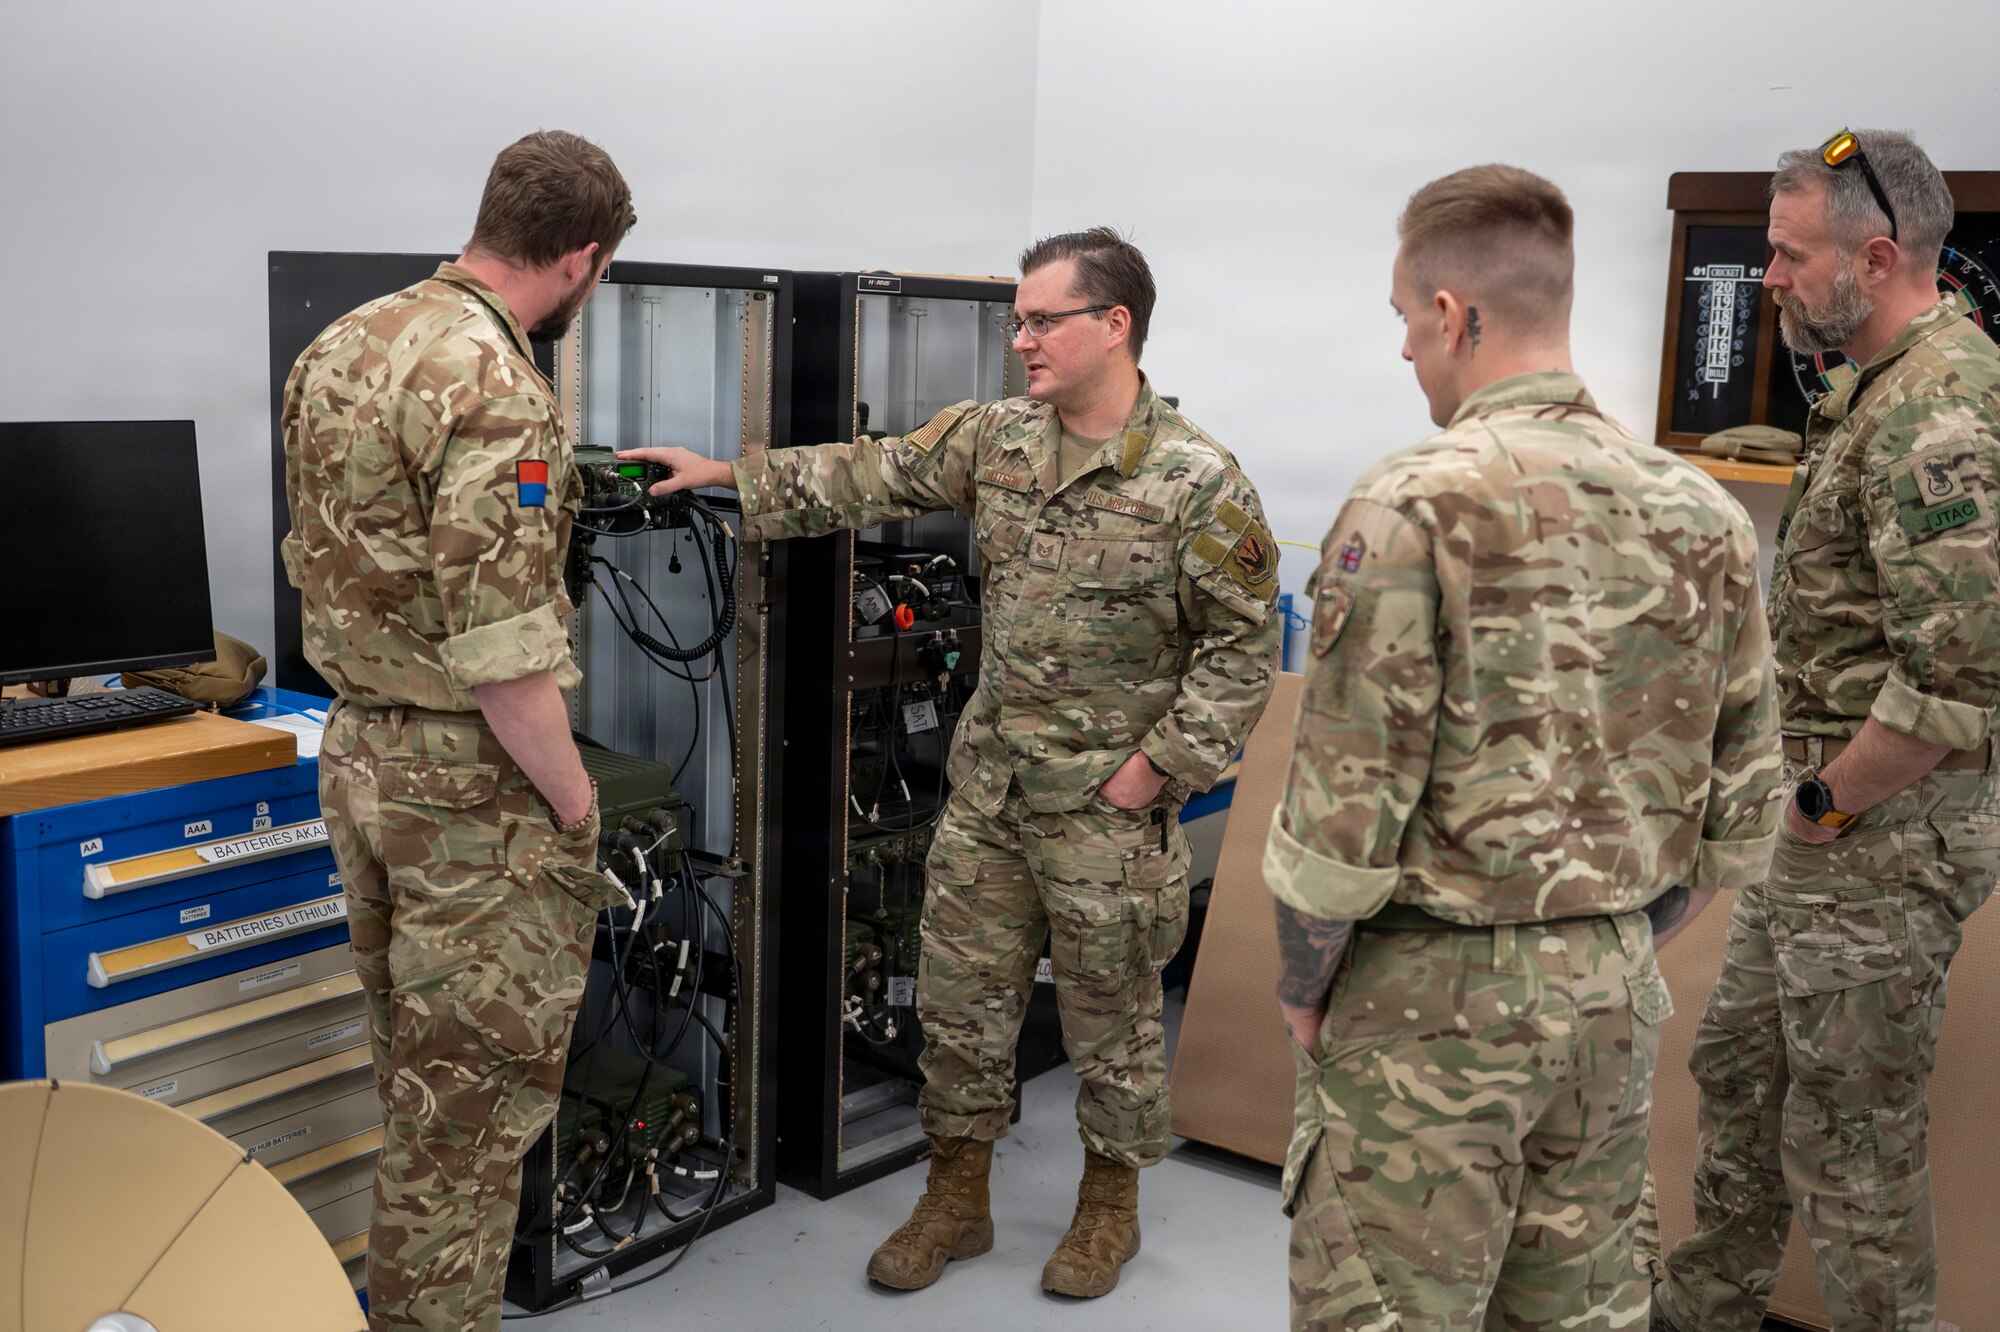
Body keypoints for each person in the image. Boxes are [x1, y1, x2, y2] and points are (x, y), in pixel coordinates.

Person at [624, 227, 1280, 1298]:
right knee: (962, 1006)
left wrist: (1157, 769)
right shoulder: (998, 440)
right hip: (988, 793)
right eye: (1016, 320)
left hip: (1106, 811)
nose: (1018, 338)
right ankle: (956, 1198)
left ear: (1113, 325)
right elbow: (866, 474)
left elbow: (1241, 645)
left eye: (1040, 320)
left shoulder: (1195, 480)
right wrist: (727, 478)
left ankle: (1107, 1211)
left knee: (1111, 1018)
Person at [1268, 165, 1782, 1331]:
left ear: (1452, 313)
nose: (1404, 350)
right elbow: (1739, 812)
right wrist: (1600, 930)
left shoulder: (1413, 502)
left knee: (1388, 1309)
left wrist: (1305, 988)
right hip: (1612, 992)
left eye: (1405, 319)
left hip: (1424, 998)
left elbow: (1341, 812)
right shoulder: (1701, 512)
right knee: (1577, 1309)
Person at [281, 130, 635, 1332]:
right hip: (465, 795)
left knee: (420, 1093)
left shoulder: (346, 342)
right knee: (469, 1128)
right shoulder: (495, 384)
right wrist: (577, 802)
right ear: (580, 258)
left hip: (361, 756)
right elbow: (504, 656)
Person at [1653, 130, 2000, 1332]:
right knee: (1740, 1077)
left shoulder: (1938, 409)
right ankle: (1702, 1309)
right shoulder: (1869, 384)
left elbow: (1956, 679)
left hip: (1876, 832)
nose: (1766, 277)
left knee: (1851, 1144)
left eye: (1788, 255)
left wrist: (1822, 804)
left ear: (1877, 254)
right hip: (1816, 826)